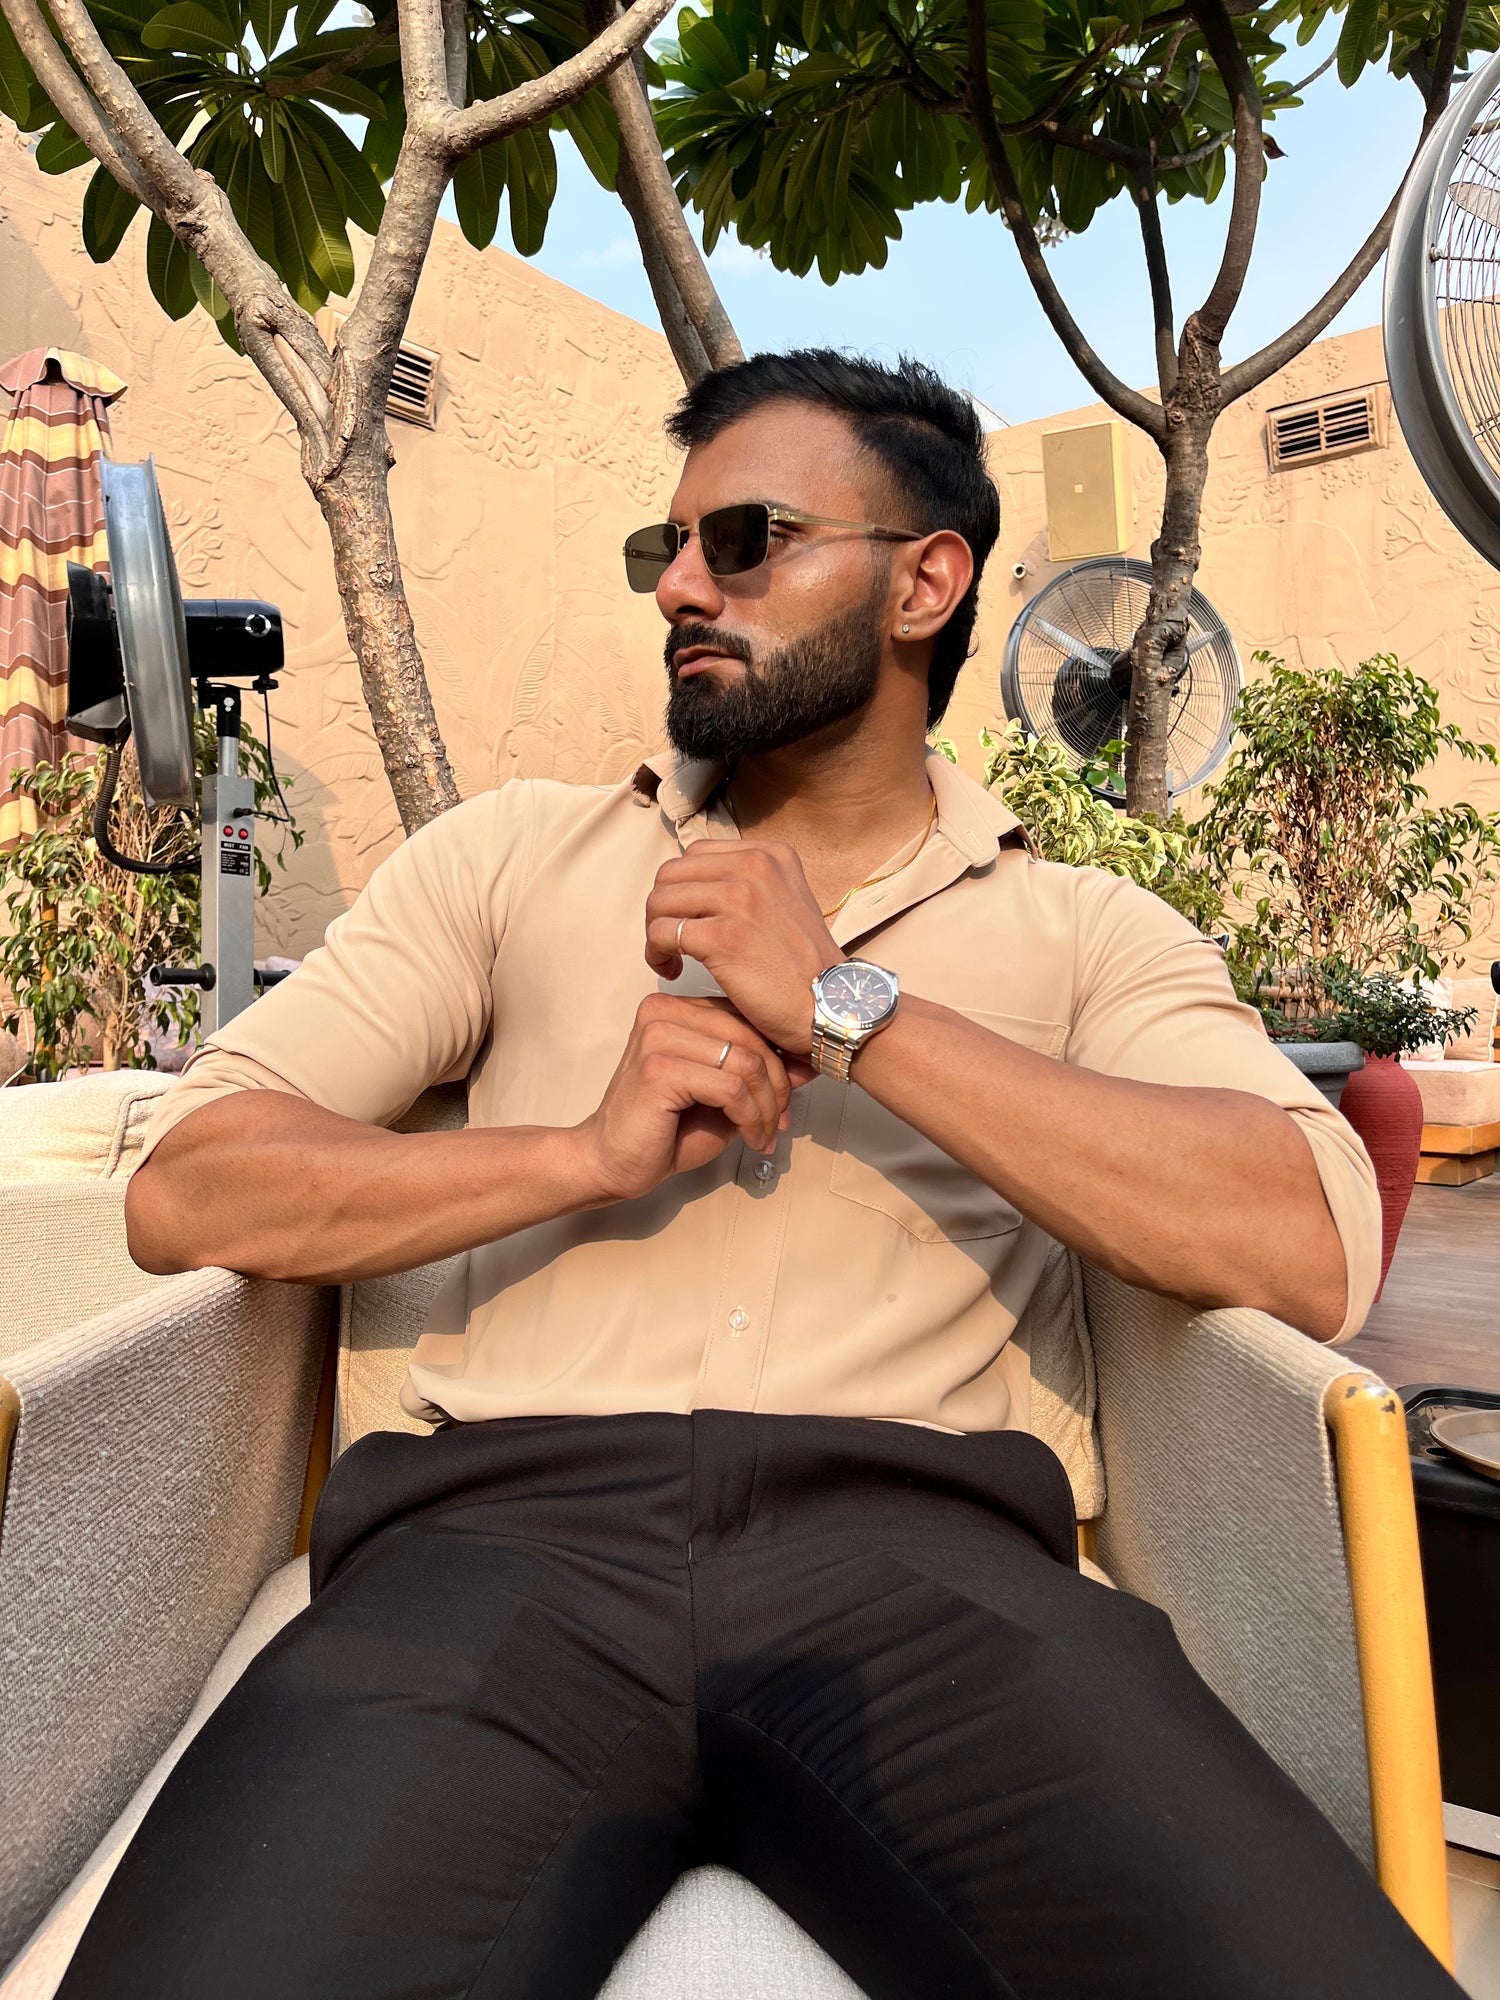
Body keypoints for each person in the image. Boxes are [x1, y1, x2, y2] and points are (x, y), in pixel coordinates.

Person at [67, 351, 1459, 2000]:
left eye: (748, 540)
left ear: (926, 582)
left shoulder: (1081, 932)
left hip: (935, 1560)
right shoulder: (514, 859)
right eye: (666, 549)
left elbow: (1309, 1240)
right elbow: (191, 1187)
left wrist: (858, 1012)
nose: (678, 585)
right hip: (495, 1546)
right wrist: (574, 1157)